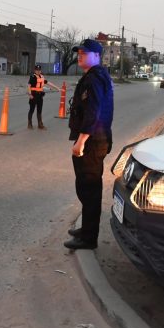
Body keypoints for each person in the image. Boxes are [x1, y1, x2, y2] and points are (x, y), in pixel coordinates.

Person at [64, 39, 114, 250]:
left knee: (90, 190)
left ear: (97, 56)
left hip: (92, 142)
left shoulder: (95, 78)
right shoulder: (95, 76)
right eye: (79, 53)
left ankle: (88, 238)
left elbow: (93, 111)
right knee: (86, 189)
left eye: (85, 53)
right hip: (94, 140)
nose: (80, 55)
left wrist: (81, 141)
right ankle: (86, 229)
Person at [27, 64, 60, 129]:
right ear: (35, 70)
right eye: (37, 70)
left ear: (40, 70)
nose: (38, 71)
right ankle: (29, 124)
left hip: (40, 96)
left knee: (39, 110)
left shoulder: (41, 77)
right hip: (33, 95)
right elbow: (29, 86)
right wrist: (30, 94)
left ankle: (40, 125)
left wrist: (57, 88)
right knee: (32, 110)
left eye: (39, 70)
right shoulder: (33, 77)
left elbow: (48, 83)